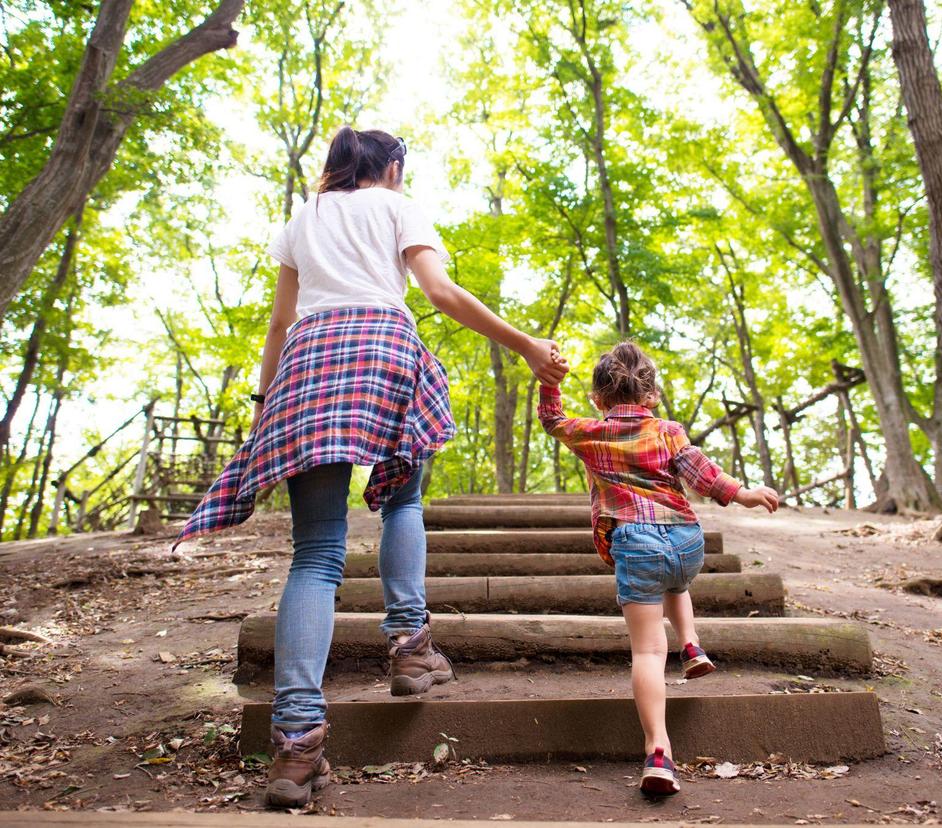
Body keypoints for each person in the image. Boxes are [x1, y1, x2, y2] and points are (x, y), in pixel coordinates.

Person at [173, 126, 568, 808]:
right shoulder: (396, 206)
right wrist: (526, 344)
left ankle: (295, 747)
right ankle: (412, 649)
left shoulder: (306, 216)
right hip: (383, 348)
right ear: (390, 167)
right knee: (403, 504)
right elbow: (439, 293)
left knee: (316, 554)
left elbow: (278, 325)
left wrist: (268, 405)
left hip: (307, 364)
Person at [537, 341, 777, 797]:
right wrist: (743, 492)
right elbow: (702, 474)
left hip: (636, 542)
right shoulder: (669, 430)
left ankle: (658, 752)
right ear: (651, 396)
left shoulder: (591, 431)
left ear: (598, 399)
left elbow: (552, 421)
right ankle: (690, 644)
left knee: (648, 652)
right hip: (688, 539)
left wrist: (550, 382)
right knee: (677, 579)